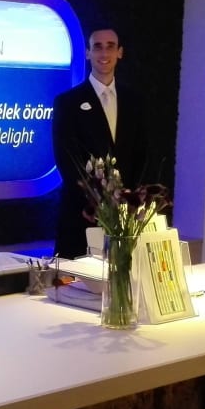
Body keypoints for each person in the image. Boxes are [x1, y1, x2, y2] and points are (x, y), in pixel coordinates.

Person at [50, 26, 152, 259]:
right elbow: (66, 159)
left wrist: (127, 200)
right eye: (97, 47)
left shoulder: (135, 102)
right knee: (74, 278)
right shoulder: (67, 102)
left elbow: (142, 153)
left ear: (120, 52)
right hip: (81, 214)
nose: (104, 53)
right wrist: (98, 202)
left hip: (125, 217)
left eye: (110, 46)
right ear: (88, 53)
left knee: (122, 275)